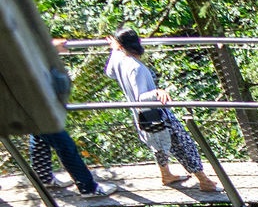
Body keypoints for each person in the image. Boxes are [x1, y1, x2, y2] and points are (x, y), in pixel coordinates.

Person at [104, 30, 219, 192]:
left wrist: (114, 51)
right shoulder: (135, 67)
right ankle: (204, 181)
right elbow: (140, 97)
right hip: (157, 114)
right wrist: (157, 92)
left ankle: (166, 174)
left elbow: (109, 73)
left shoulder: (119, 60)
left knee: (158, 145)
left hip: (141, 116)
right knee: (183, 144)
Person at [30, 39, 105, 197]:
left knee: (39, 135)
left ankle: (44, 178)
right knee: (65, 145)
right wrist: (50, 48)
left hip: (30, 103)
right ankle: (88, 188)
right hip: (34, 105)